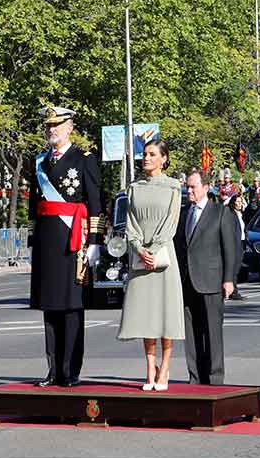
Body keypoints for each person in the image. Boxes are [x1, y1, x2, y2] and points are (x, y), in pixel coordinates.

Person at [29, 106, 102, 387]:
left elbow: (95, 202)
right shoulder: (39, 161)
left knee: (71, 306)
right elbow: (35, 205)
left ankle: (70, 370)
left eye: (57, 125)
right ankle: (52, 370)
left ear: (70, 127)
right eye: (48, 126)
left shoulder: (84, 159)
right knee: (50, 306)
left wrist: (95, 242)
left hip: (74, 240)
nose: (52, 130)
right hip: (48, 242)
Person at [118, 140, 184, 391]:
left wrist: (154, 250)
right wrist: (139, 249)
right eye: (144, 154)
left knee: (165, 314)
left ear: (163, 159)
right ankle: (149, 370)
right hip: (140, 258)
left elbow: (171, 224)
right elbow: (130, 224)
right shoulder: (134, 188)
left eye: (152, 154)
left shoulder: (173, 187)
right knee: (145, 315)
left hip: (164, 257)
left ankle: (165, 368)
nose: (146, 158)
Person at [174, 168, 237, 385]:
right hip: (186, 280)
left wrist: (229, 279)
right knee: (191, 333)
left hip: (211, 281)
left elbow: (231, 249)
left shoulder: (220, 212)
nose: (188, 190)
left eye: (193, 186)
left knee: (212, 332)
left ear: (206, 188)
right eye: (187, 186)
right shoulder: (184, 214)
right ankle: (195, 377)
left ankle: (215, 377)